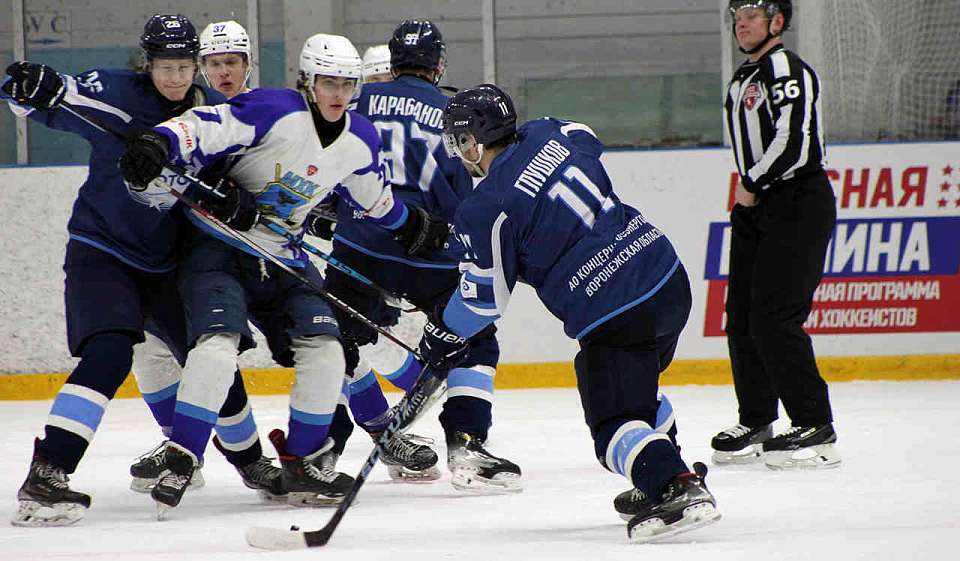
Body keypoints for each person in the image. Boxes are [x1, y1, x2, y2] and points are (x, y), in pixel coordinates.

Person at [118, 32, 449, 515]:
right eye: (328, 83)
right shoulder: (271, 108)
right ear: (307, 81)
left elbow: (375, 199)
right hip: (216, 247)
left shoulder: (360, 138)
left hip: (282, 259)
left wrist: (411, 225)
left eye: (347, 84)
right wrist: (159, 140)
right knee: (216, 344)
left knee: (329, 347)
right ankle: (183, 452)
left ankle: (303, 462)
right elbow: (200, 128)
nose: (338, 94)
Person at [0, 13, 277, 527]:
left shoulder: (211, 114)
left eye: (184, 67)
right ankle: (49, 471)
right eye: (165, 67)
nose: (175, 78)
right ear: (147, 64)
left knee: (210, 362)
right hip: (102, 251)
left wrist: (236, 200)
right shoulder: (116, 94)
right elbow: (44, 100)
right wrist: (24, 88)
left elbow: (236, 179)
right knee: (108, 354)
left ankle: (252, 463)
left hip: (166, 264)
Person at [415, 83, 720, 543]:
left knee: (614, 424)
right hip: (665, 276)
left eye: (459, 141)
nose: (458, 153)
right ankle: (663, 470)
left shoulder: (485, 206)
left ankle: (674, 484)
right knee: (637, 394)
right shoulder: (551, 131)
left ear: (473, 141)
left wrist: (445, 329)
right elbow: (587, 137)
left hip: (615, 310)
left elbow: (485, 301)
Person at [325, 19, 522, 493]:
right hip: (428, 254)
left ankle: (321, 450)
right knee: (475, 342)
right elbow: (461, 193)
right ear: (438, 65)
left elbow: (329, 164)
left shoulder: (357, 100)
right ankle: (467, 445)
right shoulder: (451, 112)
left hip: (359, 247)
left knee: (332, 345)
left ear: (392, 62)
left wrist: (328, 214)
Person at [126, 18, 284, 500]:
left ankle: (362, 435)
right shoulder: (183, 111)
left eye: (232, 62)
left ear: (248, 64)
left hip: (249, 252)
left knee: (318, 337)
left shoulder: (262, 113)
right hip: (182, 252)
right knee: (154, 348)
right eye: (214, 63)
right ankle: (181, 446)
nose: (223, 72)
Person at [712, 0, 840, 470]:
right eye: (737, 17)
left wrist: (751, 183)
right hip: (759, 206)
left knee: (775, 318)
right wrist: (751, 192)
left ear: (778, 22)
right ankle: (757, 418)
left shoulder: (786, 69)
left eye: (751, 16)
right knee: (742, 317)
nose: (741, 24)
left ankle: (814, 424)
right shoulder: (743, 77)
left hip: (795, 201)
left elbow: (794, 141)